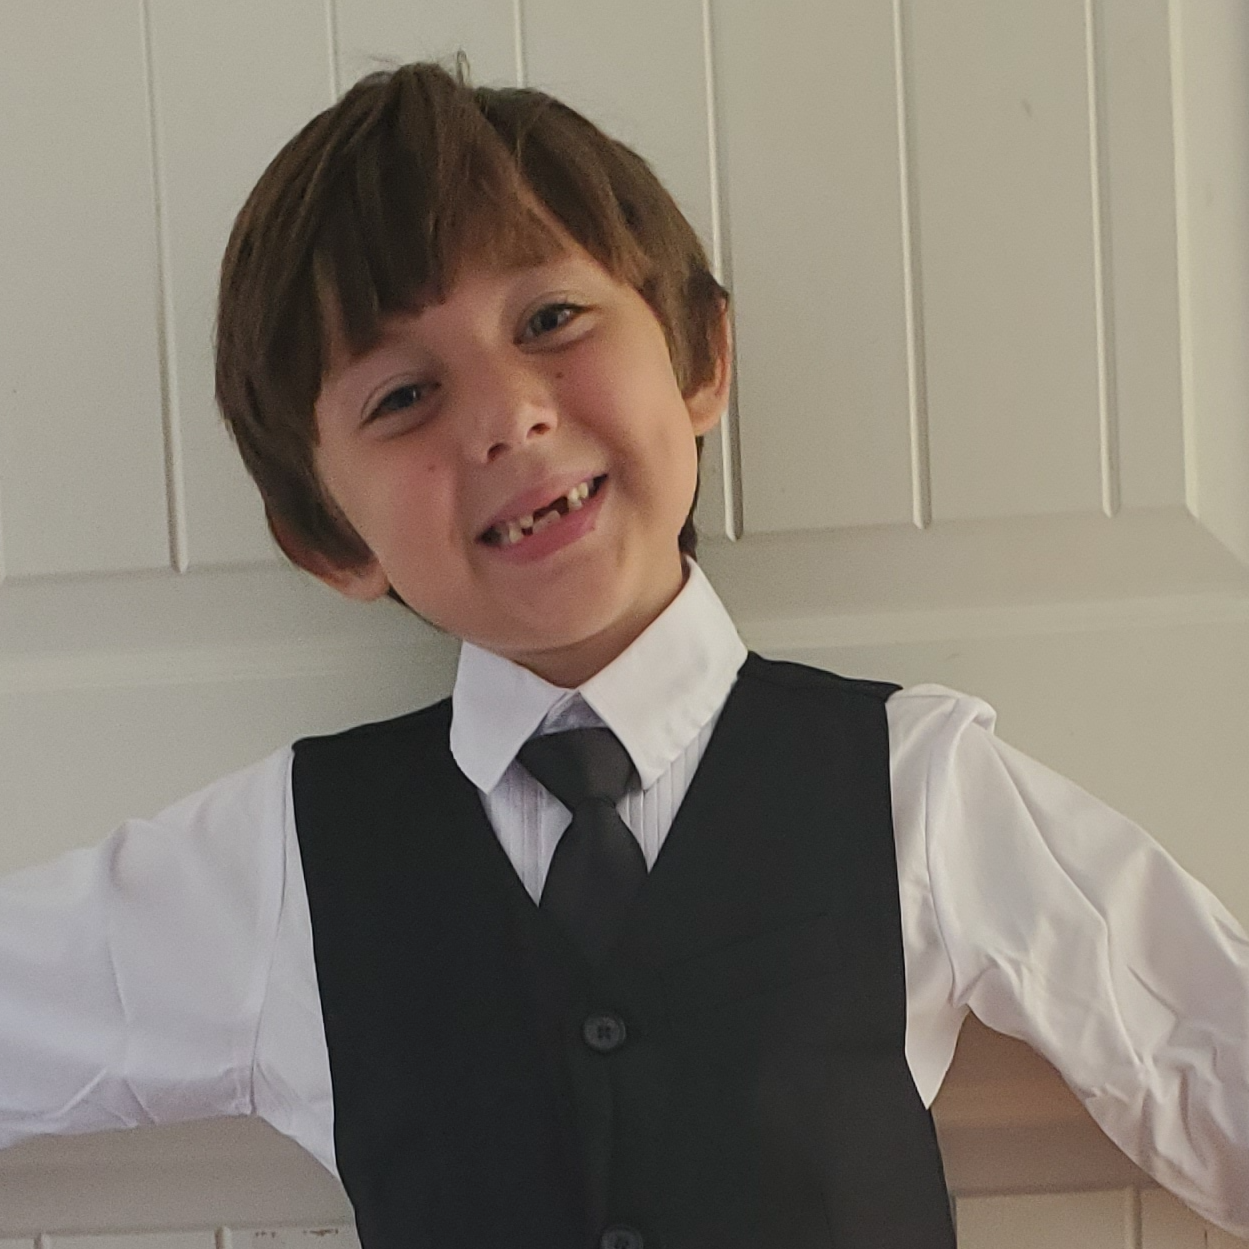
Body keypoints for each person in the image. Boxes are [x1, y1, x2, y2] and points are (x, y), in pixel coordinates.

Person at [2, 59, 1248, 1248]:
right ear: (330, 538)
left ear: (700, 356)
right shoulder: (282, 859)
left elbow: (1208, 1057)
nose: (508, 414)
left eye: (551, 318)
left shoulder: (910, 782)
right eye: (403, 396)